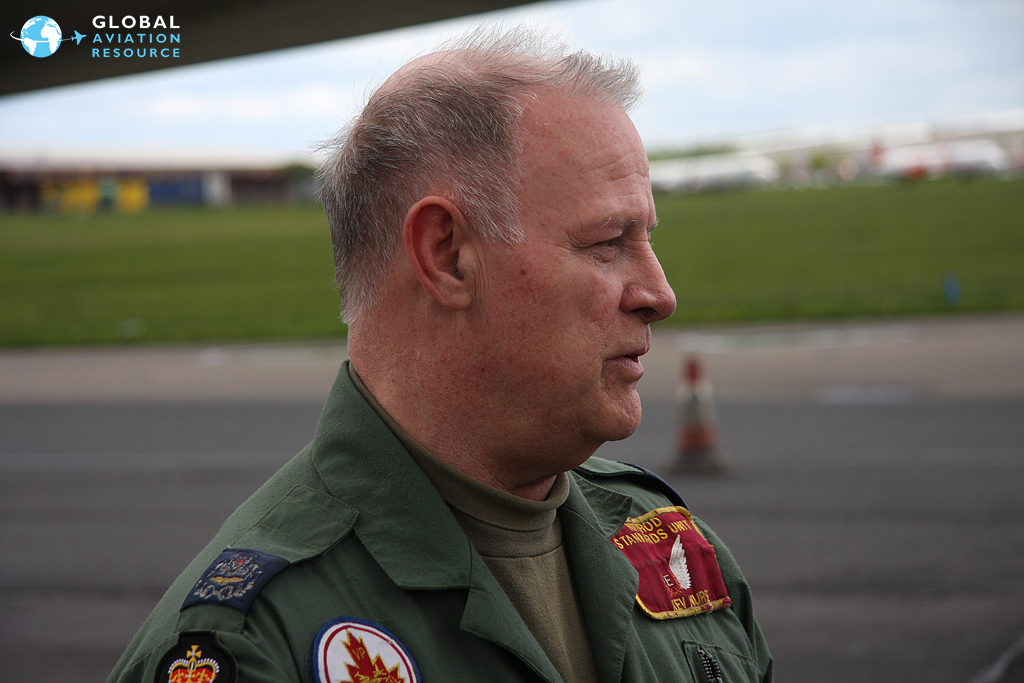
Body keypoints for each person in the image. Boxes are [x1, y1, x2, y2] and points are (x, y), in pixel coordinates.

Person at [108, 27, 772, 683]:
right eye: (607, 243)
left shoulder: (678, 553)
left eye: (646, 238)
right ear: (447, 256)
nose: (659, 294)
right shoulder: (256, 645)